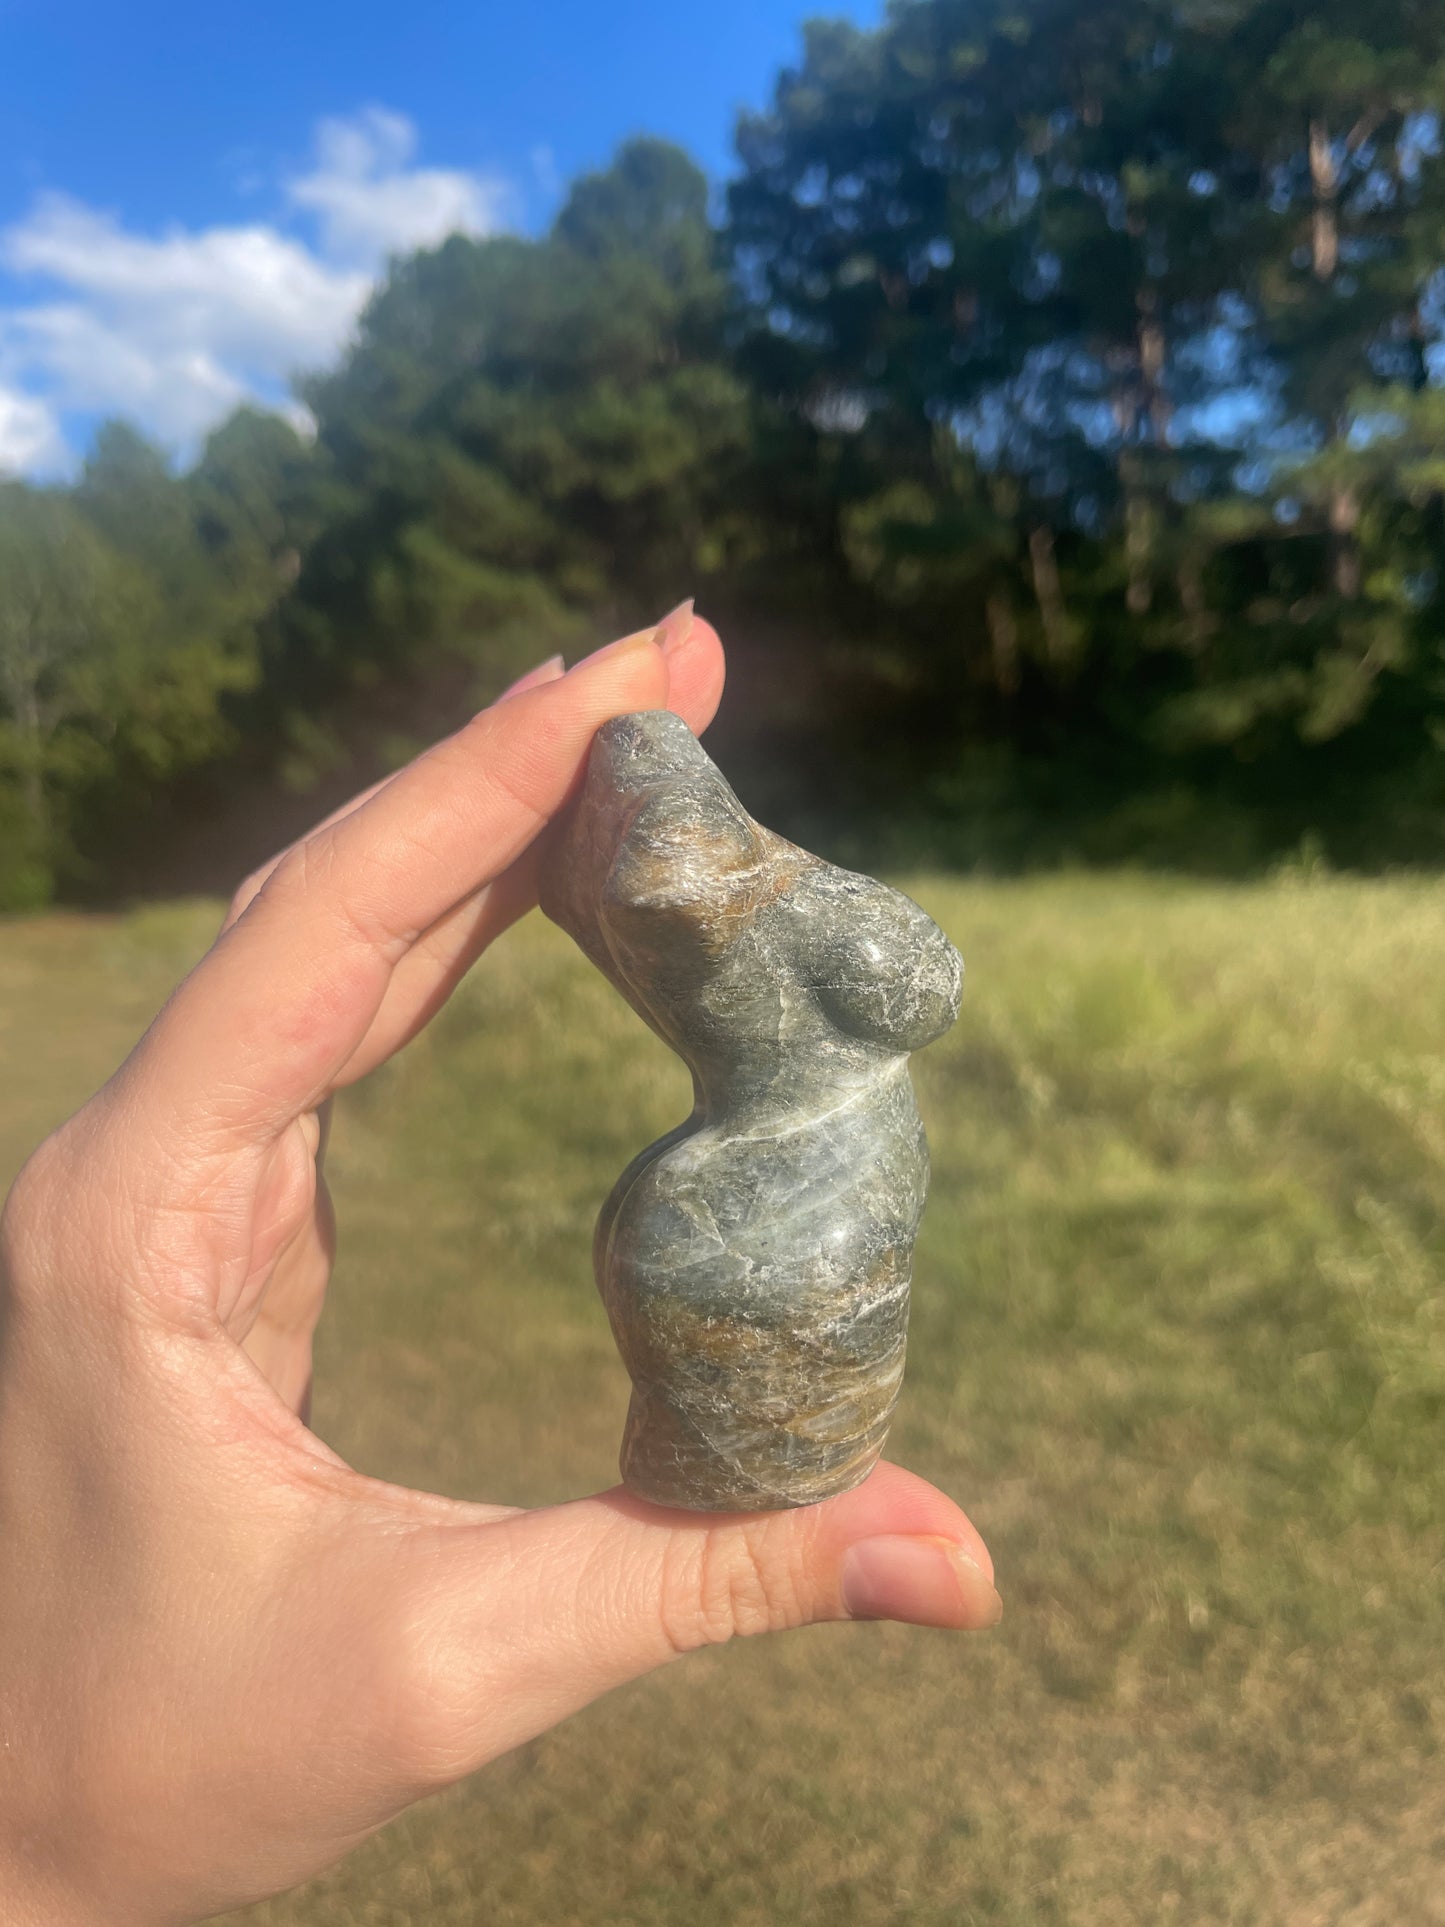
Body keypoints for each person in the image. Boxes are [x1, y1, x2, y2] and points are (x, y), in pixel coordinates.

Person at [0, 608, 1000, 1926]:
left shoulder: (758, 906)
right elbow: (768, 925)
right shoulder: (762, 907)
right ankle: (750, 1455)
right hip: (753, 1218)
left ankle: (751, 1449)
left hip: (766, 1216)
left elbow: (748, 918)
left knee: (764, 1312)